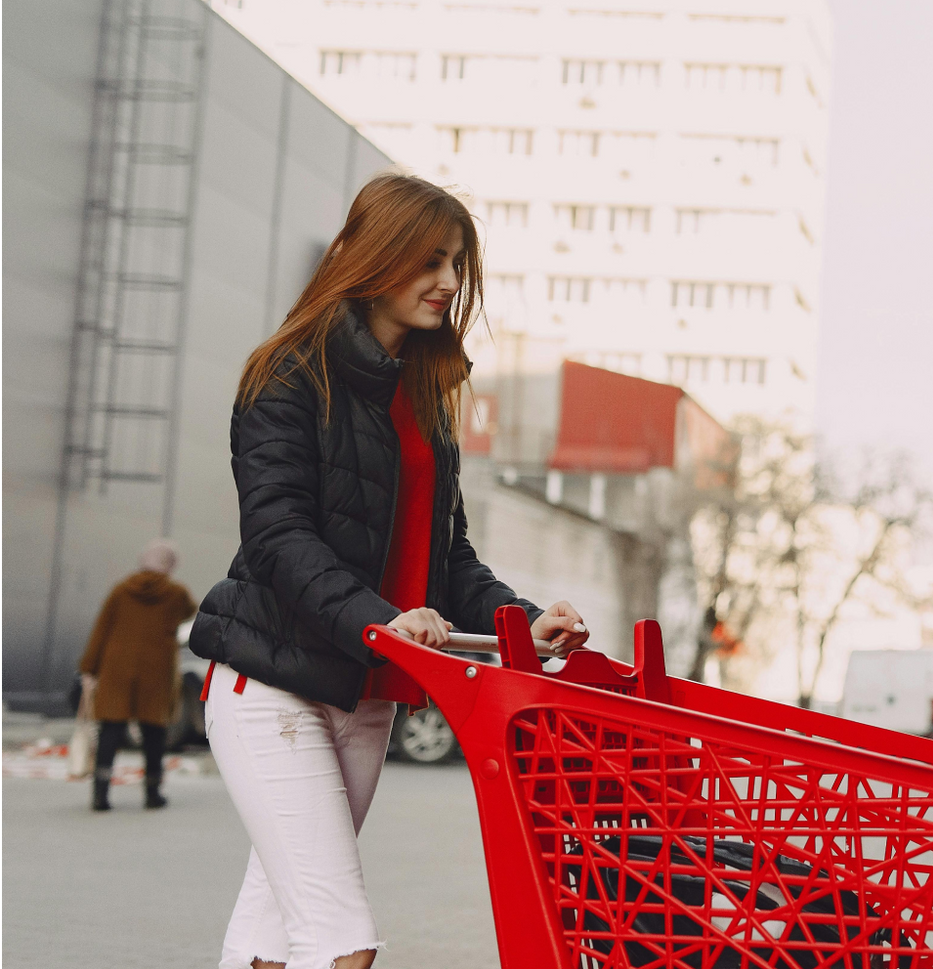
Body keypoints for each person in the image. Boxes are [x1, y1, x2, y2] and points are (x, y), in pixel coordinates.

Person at [188, 172, 592, 969]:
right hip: (271, 687)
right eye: (430, 261)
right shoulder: (290, 375)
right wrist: (379, 615)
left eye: (456, 266)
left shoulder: (423, 398)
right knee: (342, 943)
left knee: (270, 937)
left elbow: (450, 558)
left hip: (367, 695)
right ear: (374, 257)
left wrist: (526, 620)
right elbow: (278, 535)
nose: (448, 283)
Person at [79, 538, 197, 811]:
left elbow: (102, 629)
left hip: (116, 668)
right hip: (156, 670)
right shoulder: (176, 593)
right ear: (170, 565)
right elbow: (191, 611)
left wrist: (89, 668)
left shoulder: (121, 590)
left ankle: (100, 794)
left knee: (110, 728)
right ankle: (152, 793)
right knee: (154, 730)